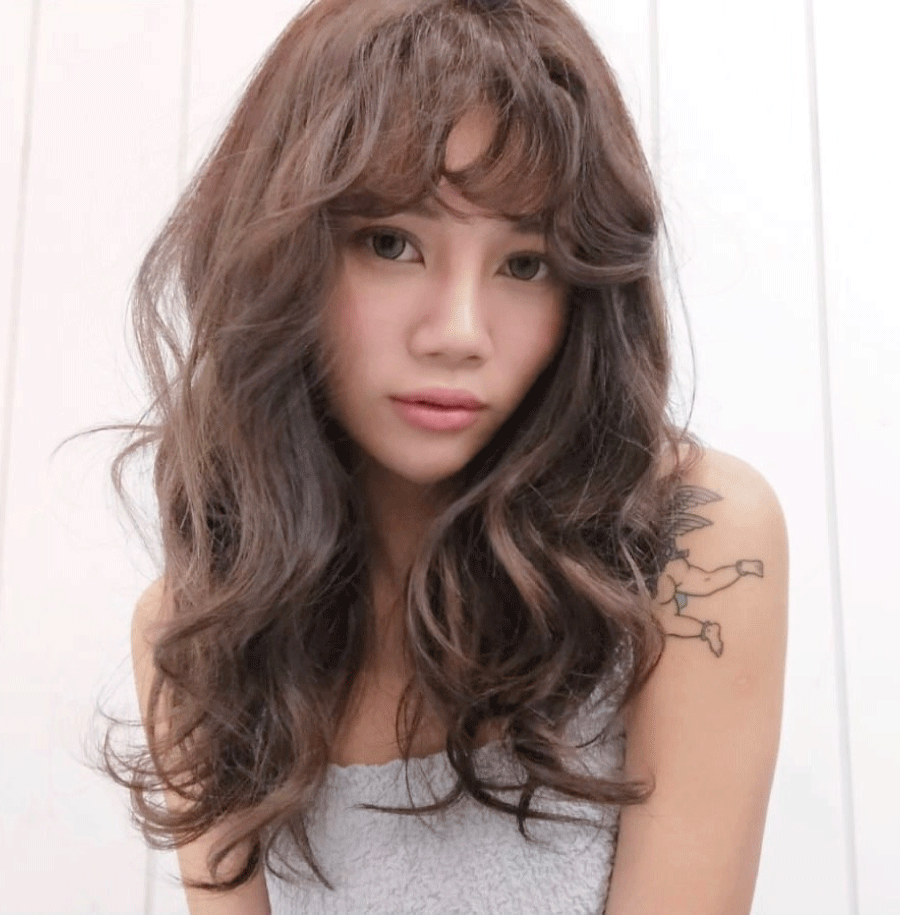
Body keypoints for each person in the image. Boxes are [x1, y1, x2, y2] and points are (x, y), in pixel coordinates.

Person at [104, 1, 789, 912]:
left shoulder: (690, 546)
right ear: (279, 258)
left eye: (525, 263)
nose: (460, 332)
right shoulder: (198, 634)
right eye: (392, 244)